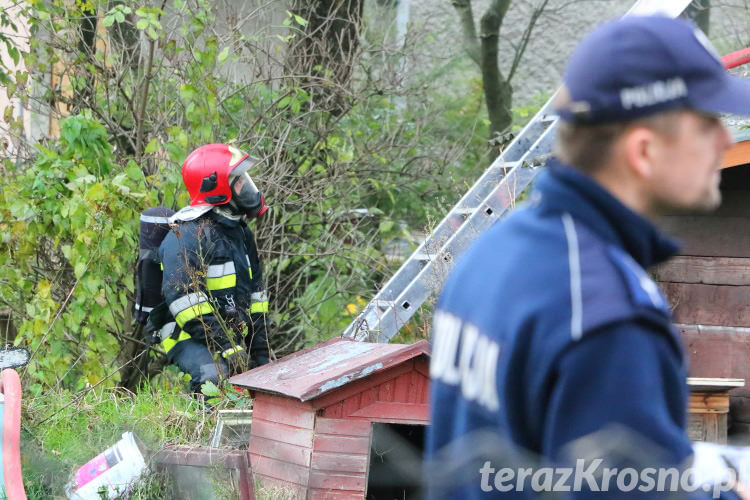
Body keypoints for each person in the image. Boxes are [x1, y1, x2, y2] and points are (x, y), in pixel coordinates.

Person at [426, 15, 750, 499]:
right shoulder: (607, 317)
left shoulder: (491, 254)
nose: (726, 139)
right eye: (707, 123)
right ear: (644, 151)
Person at [156, 143, 271, 394]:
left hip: (229, 334)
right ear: (215, 187)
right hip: (187, 335)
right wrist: (228, 345)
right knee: (215, 375)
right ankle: (201, 428)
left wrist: (261, 354)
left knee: (264, 378)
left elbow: (256, 297)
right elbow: (185, 304)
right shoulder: (185, 236)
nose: (247, 187)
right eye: (238, 181)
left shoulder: (240, 233)